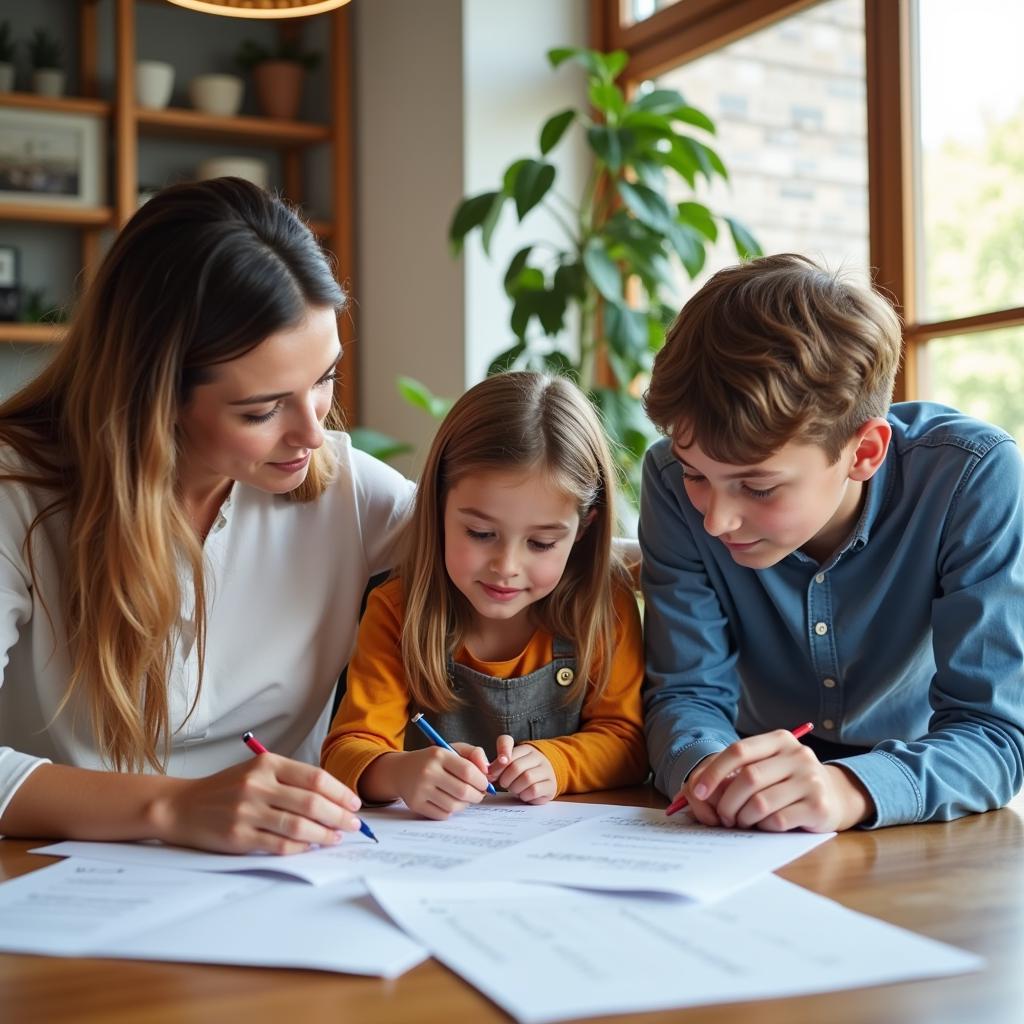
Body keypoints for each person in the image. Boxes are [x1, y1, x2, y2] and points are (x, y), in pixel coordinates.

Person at [0, 178, 414, 854]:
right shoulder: (15, 493)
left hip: (281, 889)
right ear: (154, 396)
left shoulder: (343, 488)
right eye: (262, 410)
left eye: (324, 380)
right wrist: (172, 808)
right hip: (43, 894)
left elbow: (560, 549)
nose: (313, 434)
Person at [640, 253, 1024, 832]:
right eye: (698, 474)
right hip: (748, 808)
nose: (716, 521)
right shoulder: (669, 479)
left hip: (916, 812)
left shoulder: (972, 478)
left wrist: (847, 788)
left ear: (864, 452)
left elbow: (995, 735)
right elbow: (687, 691)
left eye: (758, 487)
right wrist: (710, 771)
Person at [321, 372, 647, 818]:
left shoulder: (605, 610)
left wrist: (558, 763)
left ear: (583, 529)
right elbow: (347, 751)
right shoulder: (398, 610)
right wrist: (399, 773)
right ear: (438, 505)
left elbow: (628, 742)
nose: (506, 566)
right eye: (480, 533)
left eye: (541, 543)